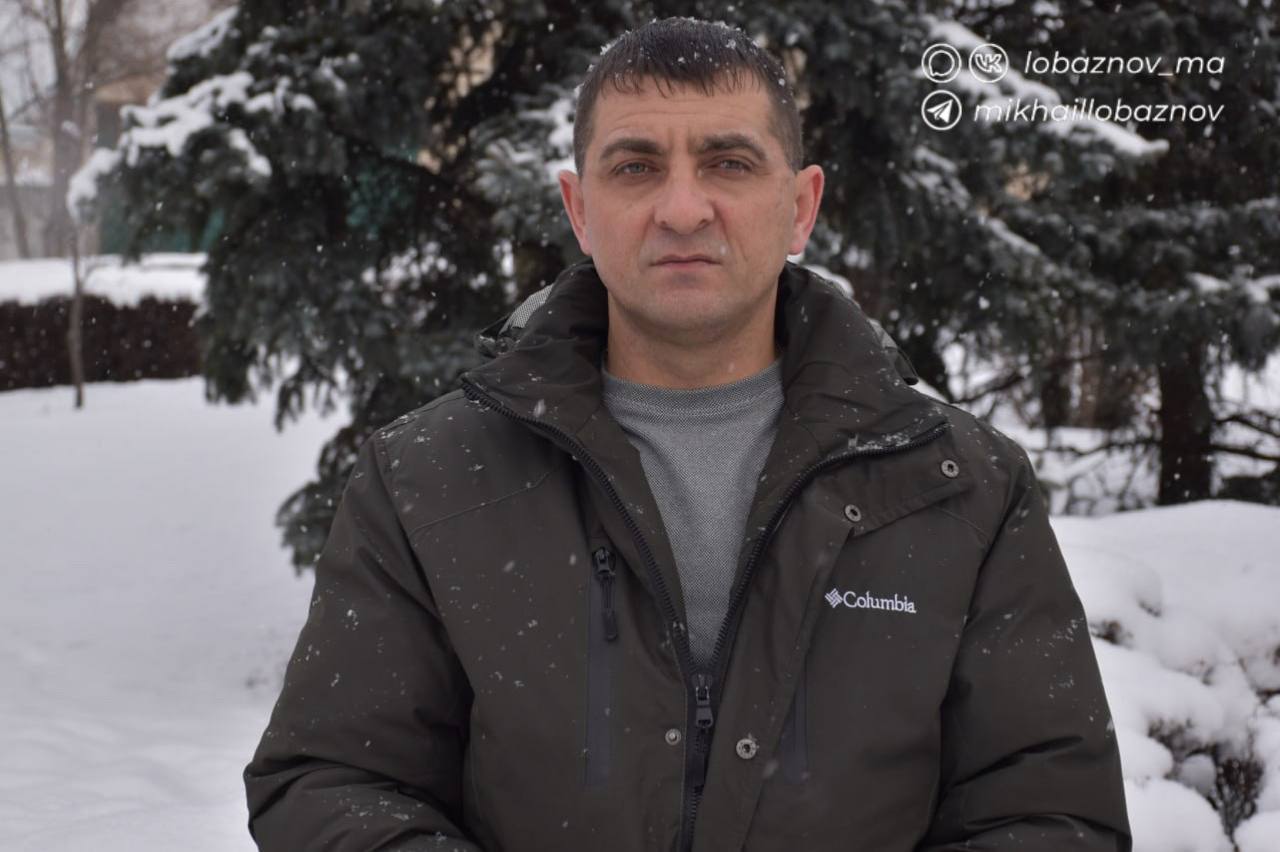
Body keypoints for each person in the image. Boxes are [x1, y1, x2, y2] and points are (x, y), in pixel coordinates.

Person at [244, 16, 1131, 852]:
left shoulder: (960, 487)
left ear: (801, 205)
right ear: (579, 208)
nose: (681, 208)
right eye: (635, 166)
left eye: (728, 163)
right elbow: (333, 781)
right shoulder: (429, 481)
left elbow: (1047, 810)